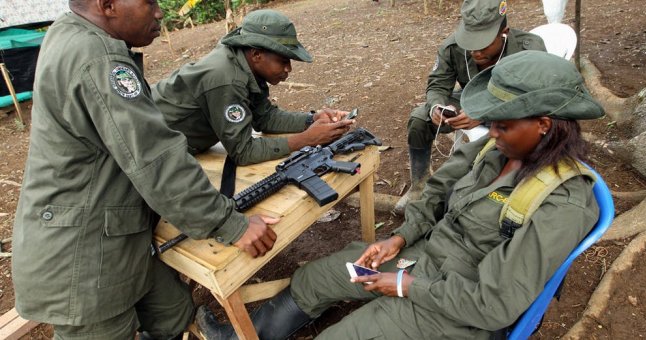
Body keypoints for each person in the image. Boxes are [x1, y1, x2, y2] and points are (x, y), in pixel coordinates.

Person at [195, 50, 605, 339]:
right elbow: (437, 191)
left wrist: (406, 286)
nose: (491, 133)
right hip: (422, 257)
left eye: (503, 126)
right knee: (315, 278)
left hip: (461, 310)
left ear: (545, 124)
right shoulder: (494, 147)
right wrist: (400, 238)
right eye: (491, 123)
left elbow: (495, 305)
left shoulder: (561, 204)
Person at [11, 1, 279, 339]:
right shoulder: (100, 59)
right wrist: (230, 223)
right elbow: (156, 159)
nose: (159, 12)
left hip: (112, 229)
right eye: (149, 2)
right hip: (82, 255)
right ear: (107, 5)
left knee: (174, 313)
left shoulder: (72, 32)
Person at [394, 0, 546, 214]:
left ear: (504, 32)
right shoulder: (452, 47)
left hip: (515, 108)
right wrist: (437, 106)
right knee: (419, 118)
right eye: (470, 41)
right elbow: (438, 84)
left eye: (483, 43)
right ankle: (419, 187)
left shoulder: (530, 48)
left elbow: (536, 99)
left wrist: (485, 113)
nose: (474, 51)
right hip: (471, 98)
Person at [152, 9, 353, 165]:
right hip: (153, 147)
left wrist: (312, 120)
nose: (288, 69)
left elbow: (265, 117)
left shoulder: (246, 63)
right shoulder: (227, 78)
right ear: (256, 55)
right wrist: (305, 139)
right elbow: (242, 151)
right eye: (283, 61)